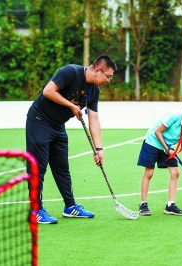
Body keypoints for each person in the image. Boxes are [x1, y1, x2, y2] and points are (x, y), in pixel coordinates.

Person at [26, 55, 117, 224]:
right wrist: (70, 105)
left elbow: (94, 119)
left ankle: (70, 207)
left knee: (62, 167)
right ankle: (36, 210)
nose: (109, 80)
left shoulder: (94, 90)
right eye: (108, 76)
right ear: (98, 70)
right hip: (39, 121)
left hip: (58, 126)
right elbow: (48, 91)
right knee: (38, 168)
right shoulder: (70, 72)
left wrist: (99, 149)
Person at [137, 96, 182, 216]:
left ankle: (170, 205)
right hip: (153, 142)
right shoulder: (174, 116)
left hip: (167, 146)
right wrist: (168, 149)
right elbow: (157, 132)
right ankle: (143, 204)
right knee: (149, 173)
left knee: (175, 172)